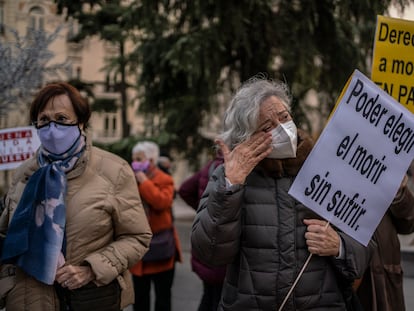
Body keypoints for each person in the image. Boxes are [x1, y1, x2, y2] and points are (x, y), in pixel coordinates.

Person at [191, 76, 375, 310]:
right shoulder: (229, 175)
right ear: (247, 138)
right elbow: (210, 253)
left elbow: (365, 249)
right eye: (267, 127)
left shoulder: (329, 167)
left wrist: (339, 246)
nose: (283, 129)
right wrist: (230, 186)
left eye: (284, 117)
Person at [0, 82, 152, 311]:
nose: (51, 128)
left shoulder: (114, 171)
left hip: (90, 299)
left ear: (81, 122)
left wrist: (92, 269)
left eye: (61, 119)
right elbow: (6, 235)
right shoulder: (24, 173)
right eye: (43, 120)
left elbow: (137, 237)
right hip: (28, 300)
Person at [129, 141, 182, 311]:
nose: (135, 162)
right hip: (139, 250)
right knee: (140, 299)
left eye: (139, 158)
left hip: (161, 249)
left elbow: (161, 202)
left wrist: (144, 182)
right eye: (134, 158)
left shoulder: (164, 179)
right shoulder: (130, 178)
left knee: (163, 299)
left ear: (151, 160)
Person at [356, 173, 414, 311]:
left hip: (383, 276)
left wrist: (399, 193)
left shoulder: (382, 171)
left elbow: (409, 224)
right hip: (348, 276)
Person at [178, 152, 226, 311]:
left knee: (208, 295)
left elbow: (185, 189)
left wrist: (202, 211)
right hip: (223, 251)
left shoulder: (210, 167)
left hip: (205, 244)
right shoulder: (235, 168)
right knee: (219, 299)